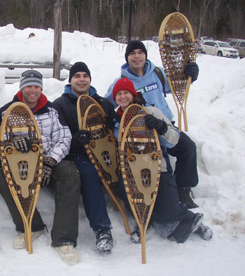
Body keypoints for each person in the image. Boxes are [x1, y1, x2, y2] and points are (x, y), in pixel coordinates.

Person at [111, 78, 212, 243]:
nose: (123, 97)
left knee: (169, 209)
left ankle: (192, 221)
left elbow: (174, 140)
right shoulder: (116, 121)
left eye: (126, 93)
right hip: (133, 173)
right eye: (119, 94)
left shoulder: (150, 112)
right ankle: (149, 220)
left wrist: (161, 127)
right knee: (129, 198)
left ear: (133, 95)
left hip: (158, 168)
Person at [0, 70, 81, 264]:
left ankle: (63, 238)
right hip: (21, 162)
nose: (32, 90)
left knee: (70, 175)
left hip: (50, 159)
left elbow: (64, 138)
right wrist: (11, 142)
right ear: (22, 88)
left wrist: (50, 161)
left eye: (36, 86)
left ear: (41, 88)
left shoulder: (52, 111)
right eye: (28, 86)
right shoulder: (7, 111)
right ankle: (32, 226)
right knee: (3, 174)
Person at [105, 40, 200, 209]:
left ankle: (183, 189)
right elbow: (106, 104)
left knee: (188, 147)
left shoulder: (158, 73)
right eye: (132, 53)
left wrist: (190, 75)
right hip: (143, 133)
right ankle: (167, 196)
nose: (136, 56)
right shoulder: (122, 82)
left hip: (164, 124)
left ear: (145, 55)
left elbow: (178, 84)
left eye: (139, 52)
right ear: (127, 57)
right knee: (163, 167)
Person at [53, 62, 116, 254]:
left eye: (85, 76)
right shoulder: (60, 105)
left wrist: (109, 124)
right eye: (77, 76)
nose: (81, 79)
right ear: (70, 80)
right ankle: (102, 229)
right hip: (76, 155)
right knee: (89, 173)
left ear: (90, 79)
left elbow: (115, 131)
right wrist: (76, 142)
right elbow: (57, 137)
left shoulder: (103, 103)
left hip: (103, 151)